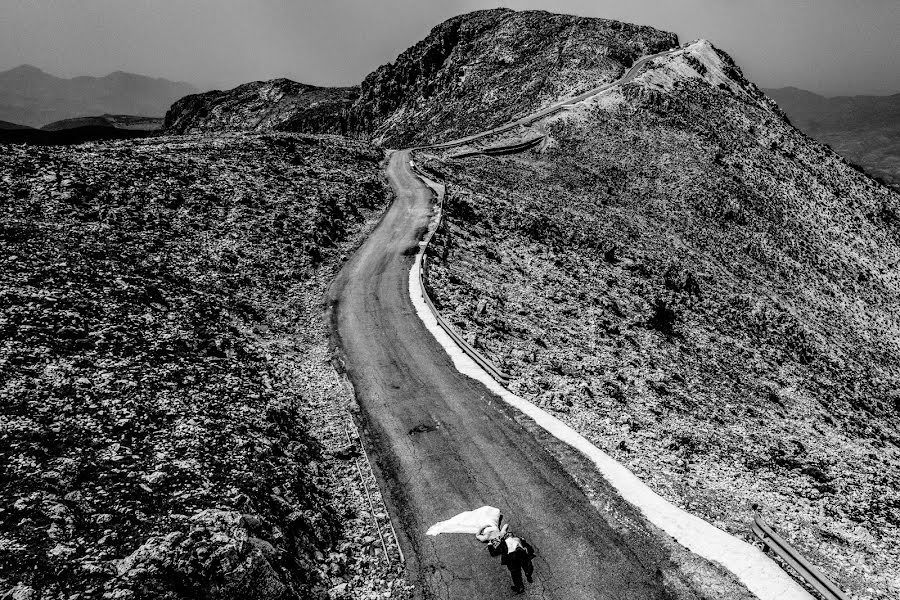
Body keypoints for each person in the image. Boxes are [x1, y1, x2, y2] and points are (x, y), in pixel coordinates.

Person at [488, 530, 536, 594]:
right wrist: (524, 542)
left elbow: (494, 553)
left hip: (511, 557)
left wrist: (490, 544)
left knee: (515, 574)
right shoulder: (518, 539)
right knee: (526, 565)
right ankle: (528, 573)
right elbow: (529, 548)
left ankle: (520, 586)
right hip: (520, 553)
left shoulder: (504, 542)